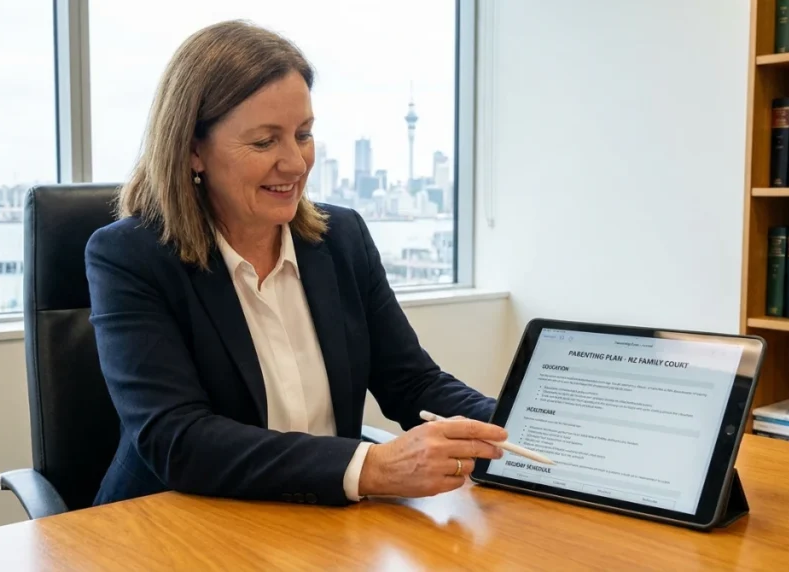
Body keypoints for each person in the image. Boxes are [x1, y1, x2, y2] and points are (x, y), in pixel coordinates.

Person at [85, 20, 507, 508]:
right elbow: (179, 439)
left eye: (303, 135)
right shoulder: (130, 257)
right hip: (176, 526)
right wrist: (369, 466)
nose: (296, 163)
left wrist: (514, 429)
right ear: (193, 150)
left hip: (321, 525)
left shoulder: (341, 238)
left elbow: (411, 382)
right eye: (265, 142)